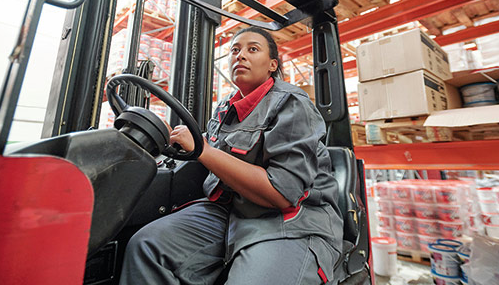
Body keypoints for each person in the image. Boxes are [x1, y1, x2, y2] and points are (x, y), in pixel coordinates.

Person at [119, 27, 343, 285]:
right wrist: (175, 139)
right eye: (235, 50)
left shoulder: (292, 104)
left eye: (252, 49)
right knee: (145, 246)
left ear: (273, 64)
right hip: (231, 209)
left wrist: (203, 150)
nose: (240, 55)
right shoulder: (226, 106)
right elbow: (212, 145)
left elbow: (281, 193)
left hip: (291, 221)